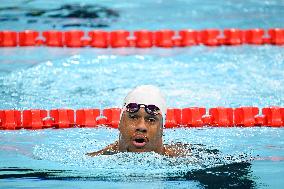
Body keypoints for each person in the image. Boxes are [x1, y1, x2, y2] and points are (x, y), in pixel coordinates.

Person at [86, 85, 190, 157]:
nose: (141, 126)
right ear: (120, 123)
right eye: (133, 117)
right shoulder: (95, 159)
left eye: (151, 119)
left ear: (162, 129)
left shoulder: (184, 160)